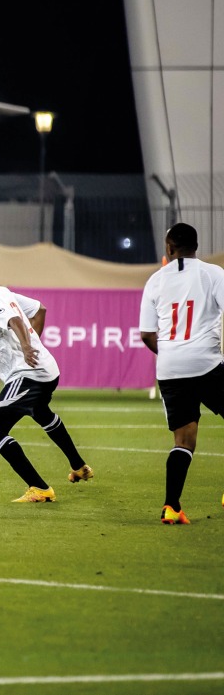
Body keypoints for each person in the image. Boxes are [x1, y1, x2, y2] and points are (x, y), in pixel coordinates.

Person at [0, 254, 93, 503]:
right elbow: (40, 309)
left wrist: (27, 348)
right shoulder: (0, 291)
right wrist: (30, 343)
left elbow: (15, 320)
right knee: (41, 412)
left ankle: (40, 488)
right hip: (47, 371)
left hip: (28, 375)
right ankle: (79, 465)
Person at [138, 223, 224, 525]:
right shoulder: (214, 274)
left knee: (183, 440)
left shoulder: (155, 280)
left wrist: (174, 353)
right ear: (196, 246)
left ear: (169, 248)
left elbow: (147, 334)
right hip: (207, 364)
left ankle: (171, 507)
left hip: (171, 369)